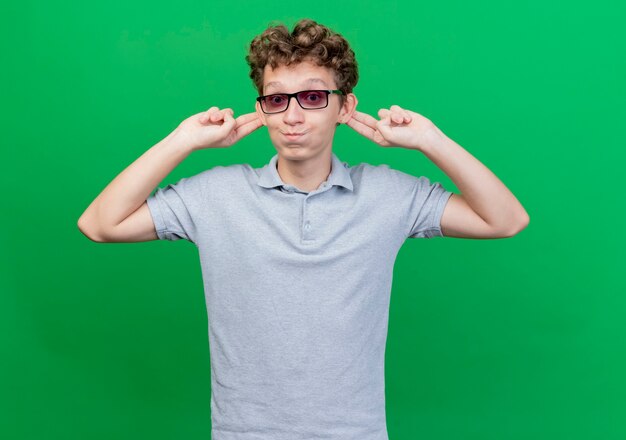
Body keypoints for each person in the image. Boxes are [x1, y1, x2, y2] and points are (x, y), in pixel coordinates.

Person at [78, 18, 529, 440]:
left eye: (312, 97)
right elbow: (100, 223)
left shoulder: (389, 194)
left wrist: (430, 140)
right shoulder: (214, 195)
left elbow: (505, 219)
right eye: (277, 99)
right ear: (263, 109)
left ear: (344, 106)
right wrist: (183, 141)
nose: (292, 116)